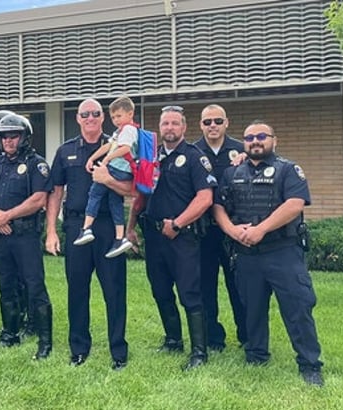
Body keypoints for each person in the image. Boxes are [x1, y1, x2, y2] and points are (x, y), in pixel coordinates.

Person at [212, 120, 324, 386]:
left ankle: (309, 364)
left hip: (282, 252)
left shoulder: (288, 169)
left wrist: (260, 229)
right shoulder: (232, 172)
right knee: (251, 309)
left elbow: (295, 204)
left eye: (261, 136)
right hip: (247, 253)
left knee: (298, 308)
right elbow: (218, 207)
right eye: (249, 137)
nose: (255, 141)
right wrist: (232, 230)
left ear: (275, 140)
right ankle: (256, 354)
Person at [126, 105, 217, 371]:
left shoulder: (194, 157)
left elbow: (205, 198)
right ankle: (173, 340)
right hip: (154, 237)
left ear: (184, 127)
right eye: (165, 123)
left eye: (175, 123)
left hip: (183, 237)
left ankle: (199, 352)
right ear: (160, 127)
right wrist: (130, 228)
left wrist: (178, 223)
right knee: (160, 290)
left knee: (190, 292)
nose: (169, 128)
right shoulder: (151, 158)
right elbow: (141, 196)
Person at [46, 98, 133, 371]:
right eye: (86, 114)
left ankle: (118, 351)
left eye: (96, 113)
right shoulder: (65, 151)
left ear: (103, 118)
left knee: (114, 290)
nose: (91, 118)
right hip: (75, 227)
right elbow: (56, 192)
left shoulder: (118, 146)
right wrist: (51, 230)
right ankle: (79, 348)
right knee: (77, 290)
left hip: (108, 227)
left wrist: (108, 180)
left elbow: (131, 189)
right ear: (78, 118)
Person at [0, 114, 53, 359]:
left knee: (34, 286)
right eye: (3, 136)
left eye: (13, 136)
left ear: (24, 137)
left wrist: (7, 216)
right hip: (0, 235)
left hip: (25, 235)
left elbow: (38, 199)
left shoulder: (36, 163)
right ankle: (10, 334)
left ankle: (44, 342)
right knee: (6, 285)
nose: (8, 141)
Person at [192, 104, 247, 351]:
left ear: (227, 123)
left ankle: (247, 336)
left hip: (234, 230)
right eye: (207, 122)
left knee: (239, 285)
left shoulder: (241, 150)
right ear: (200, 125)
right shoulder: (193, 152)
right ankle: (213, 339)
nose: (212, 126)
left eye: (217, 121)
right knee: (205, 286)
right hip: (203, 231)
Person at [72, 96, 138, 258]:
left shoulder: (129, 130)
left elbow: (125, 149)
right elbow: (109, 145)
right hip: (119, 168)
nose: (116, 120)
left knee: (95, 193)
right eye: (113, 117)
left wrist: (107, 159)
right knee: (114, 201)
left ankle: (86, 228)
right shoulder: (120, 131)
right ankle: (119, 238)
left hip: (119, 168)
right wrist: (93, 158)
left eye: (119, 116)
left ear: (130, 114)